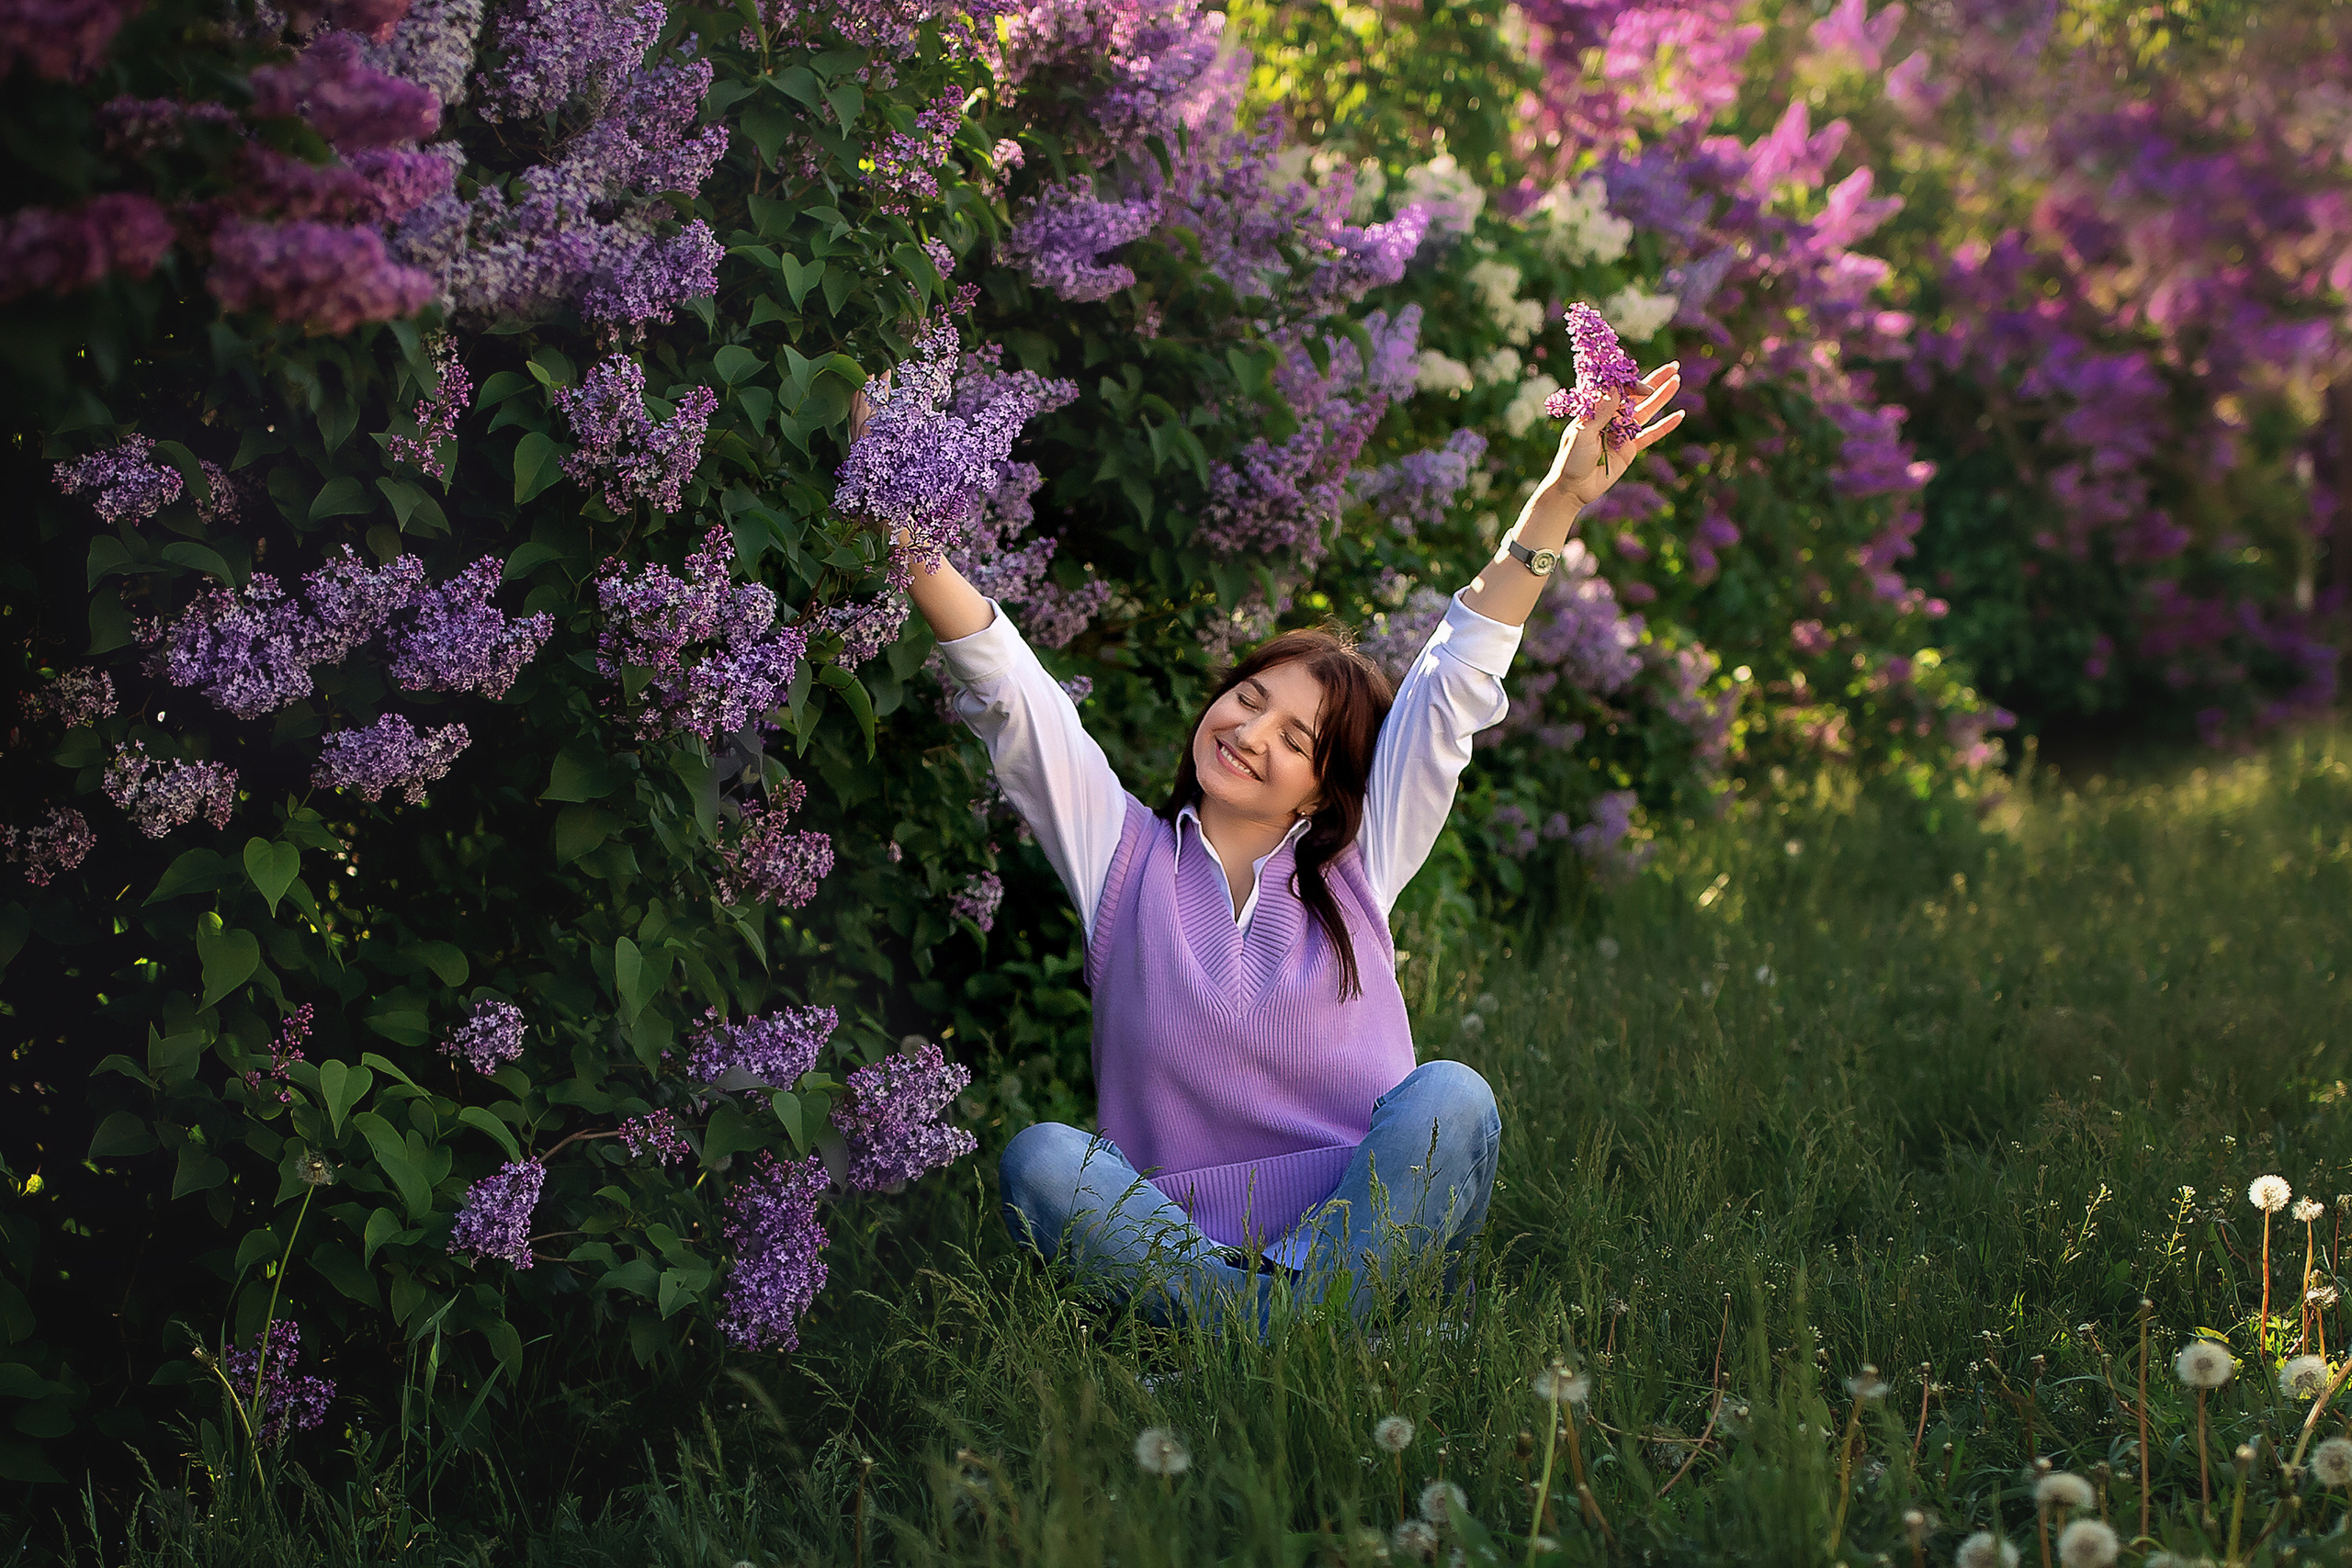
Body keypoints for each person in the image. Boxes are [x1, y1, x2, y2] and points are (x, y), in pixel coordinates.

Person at [882, 358, 1686, 1336]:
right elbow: (1014, 696)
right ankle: (1315, 1338)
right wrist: (895, 513)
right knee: (1043, 1161)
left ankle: (1260, 1336)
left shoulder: (1359, 865)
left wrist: (1557, 500)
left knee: (1453, 1097)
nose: (1250, 733)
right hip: (1184, 1251)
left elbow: (1453, 683)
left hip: (1363, 1228)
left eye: (1295, 737)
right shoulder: (1119, 857)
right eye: (1248, 698)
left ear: (1326, 785)